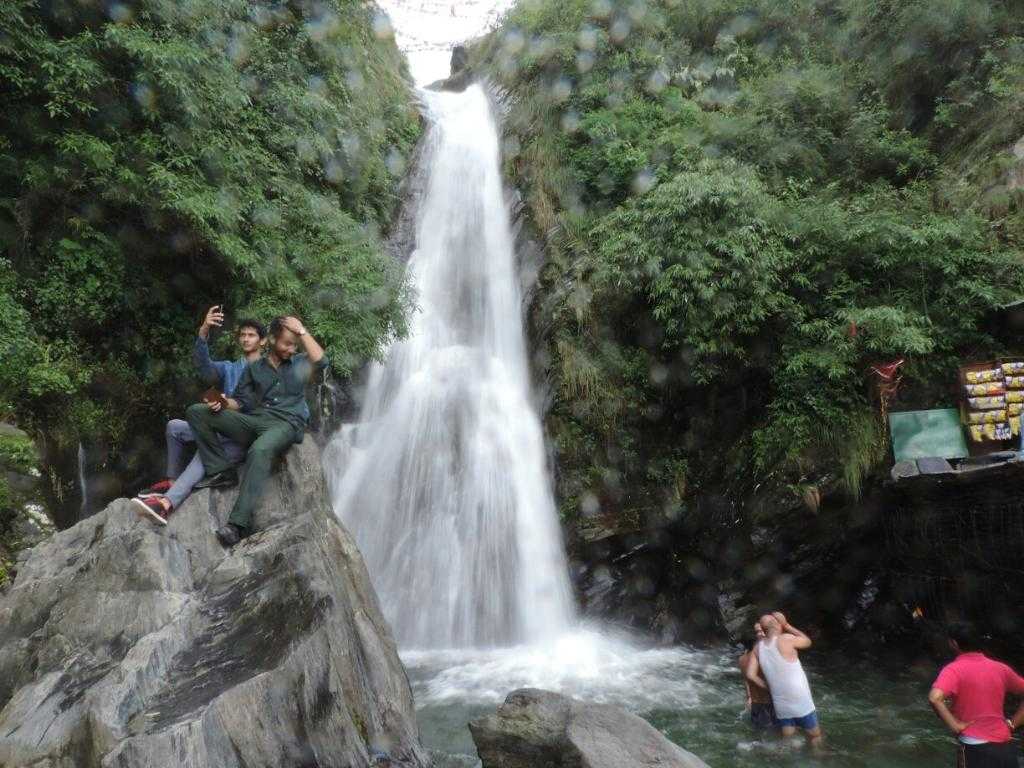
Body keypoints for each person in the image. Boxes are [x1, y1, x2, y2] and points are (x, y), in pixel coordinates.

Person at [186, 315, 327, 547]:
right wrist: (221, 402)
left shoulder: (301, 362)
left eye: (295, 344)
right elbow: (240, 402)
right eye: (286, 344)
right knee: (197, 412)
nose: (292, 349)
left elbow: (322, 361)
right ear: (271, 340)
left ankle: (238, 525)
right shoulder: (255, 369)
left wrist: (301, 331)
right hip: (257, 420)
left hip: (287, 423)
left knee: (259, 449)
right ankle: (221, 470)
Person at [132, 308, 266, 525]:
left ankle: (166, 505)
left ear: (263, 341)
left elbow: (259, 407)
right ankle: (172, 481)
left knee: (203, 453)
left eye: (251, 335)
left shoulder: (266, 370)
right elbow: (204, 366)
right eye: (242, 335)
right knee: (174, 427)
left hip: (239, 437)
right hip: (217, 427)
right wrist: (204, 330)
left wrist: (227, 406)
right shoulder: (231, 368)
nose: (245, 339)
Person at [928, 621, 1024, 768]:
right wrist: (1012, 723)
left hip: (975, 747)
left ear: (953, 643)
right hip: (1006, 748)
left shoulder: (953, 670)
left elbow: (935, 698)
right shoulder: (1000, 668)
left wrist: (956, 726)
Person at [747, 611, 823, 746]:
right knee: (815, 736)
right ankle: (818, 756)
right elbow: (807, 642)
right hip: (800, 700)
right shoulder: (786, 639)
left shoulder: (757, 649)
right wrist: (787, 625)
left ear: (763, 630)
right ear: (778, 625)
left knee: (788, 738)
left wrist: (768, 686)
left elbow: (750, 675)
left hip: (781, 704)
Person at [739, 621, 776, 731]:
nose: (762, 634)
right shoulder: (762, 656)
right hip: (770, 704)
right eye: (759, 632)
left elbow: (747, 681)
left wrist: (749, 697)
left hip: (755, 705)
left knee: (759, 737)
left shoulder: (742, 659)